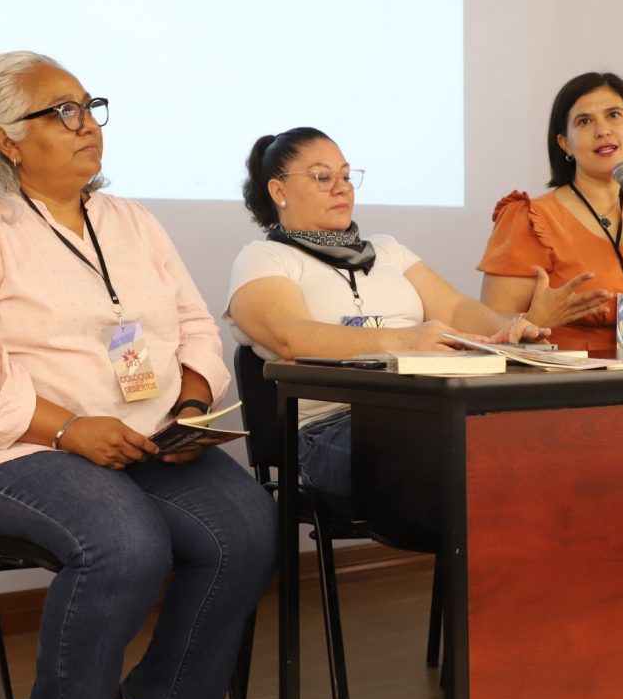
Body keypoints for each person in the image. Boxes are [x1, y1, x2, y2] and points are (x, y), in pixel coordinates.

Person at [0, 51, 275, 699]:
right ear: (7, 140)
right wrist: (69, 430)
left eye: (89, 107)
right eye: (63, 112)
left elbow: (194, 326)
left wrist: (189, 409)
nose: (87, 124)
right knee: (125, 543)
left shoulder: (129, 219)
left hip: (141, 437)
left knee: (246, 528)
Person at [225, 127, 546, 503]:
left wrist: (508, 331)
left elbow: (456, 308)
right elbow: (290, 337)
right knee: (456, 462)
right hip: (331, 427)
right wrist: (406, 342)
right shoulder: (263, 258)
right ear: (278, 190)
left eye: (346, 176)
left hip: (426, 408)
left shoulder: (388, 250)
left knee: (534, 444)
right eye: (322, 177)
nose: (342, 188)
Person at [478, 72, 623, 351]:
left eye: (614, 115)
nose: (602, 130)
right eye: (584, 121)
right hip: (570, 373)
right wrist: (534, 319)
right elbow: (492, 325)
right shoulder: (532, 219)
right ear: (565, 143)